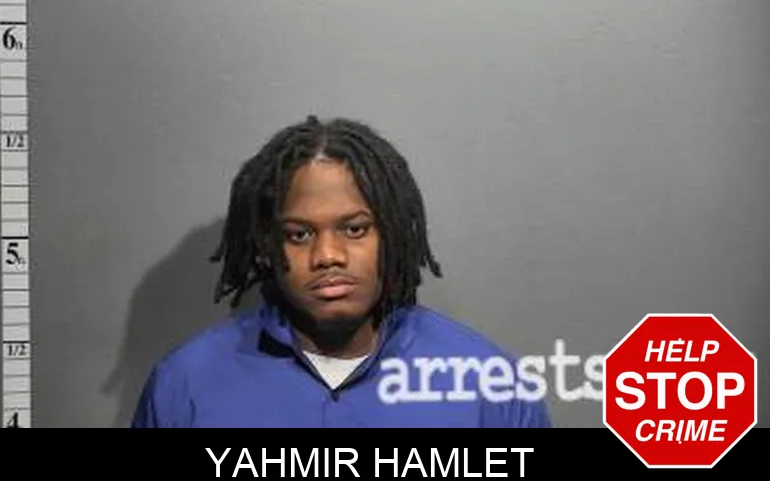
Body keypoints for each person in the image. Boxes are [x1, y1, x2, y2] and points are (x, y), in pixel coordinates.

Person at [131, 115, 552, 428]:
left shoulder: (488, 385)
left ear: (390, 234)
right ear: (267, 244)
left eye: (354, 229)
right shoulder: (185, 384)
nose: (328, 255)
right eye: (299, 234)